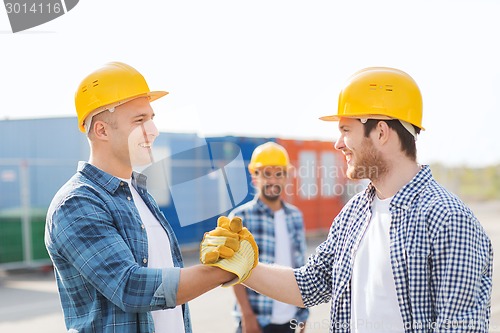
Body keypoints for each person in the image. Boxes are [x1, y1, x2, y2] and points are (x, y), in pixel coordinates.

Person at [202, 67, 494, 332]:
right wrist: (244, 267)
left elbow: (459, 328)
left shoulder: (448, 220)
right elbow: (310, 283)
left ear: (381, 131)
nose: (337, 143)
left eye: (345, 130)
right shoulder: (354, 213)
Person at [44, 61, 254, 333]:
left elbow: (167, 285)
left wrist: (210, 263)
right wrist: (225, 270)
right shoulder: (77, 203)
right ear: (102, 130)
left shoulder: (140, 195)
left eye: (152, 118)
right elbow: (130, 287)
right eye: (140, 120)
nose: (153, 130)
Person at [228, 142, 309, 333]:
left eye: (279, 174)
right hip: (257, 320)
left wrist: (303, 313)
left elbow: (300, 266)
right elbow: (234, 271)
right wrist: (247, 315)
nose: (273, 180)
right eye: (266, 174)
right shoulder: (241, 218)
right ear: (255, 177)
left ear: (287, 176)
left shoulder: (295, 216)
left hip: (289, 319)